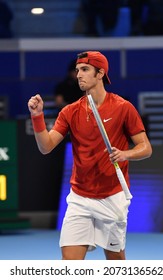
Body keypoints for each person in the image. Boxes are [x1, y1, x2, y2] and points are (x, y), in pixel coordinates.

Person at [28, 51, 152, 260]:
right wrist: (37, 116)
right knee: (71, 266)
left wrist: (125, 154)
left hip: (112, 197)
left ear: (100, 73)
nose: (78, 75)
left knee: (116, 265)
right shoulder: (70, 111)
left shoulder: (123, 108)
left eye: (85, 70)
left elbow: (146, 148)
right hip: (80, 198)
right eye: (77, 70)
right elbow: (46, 147)